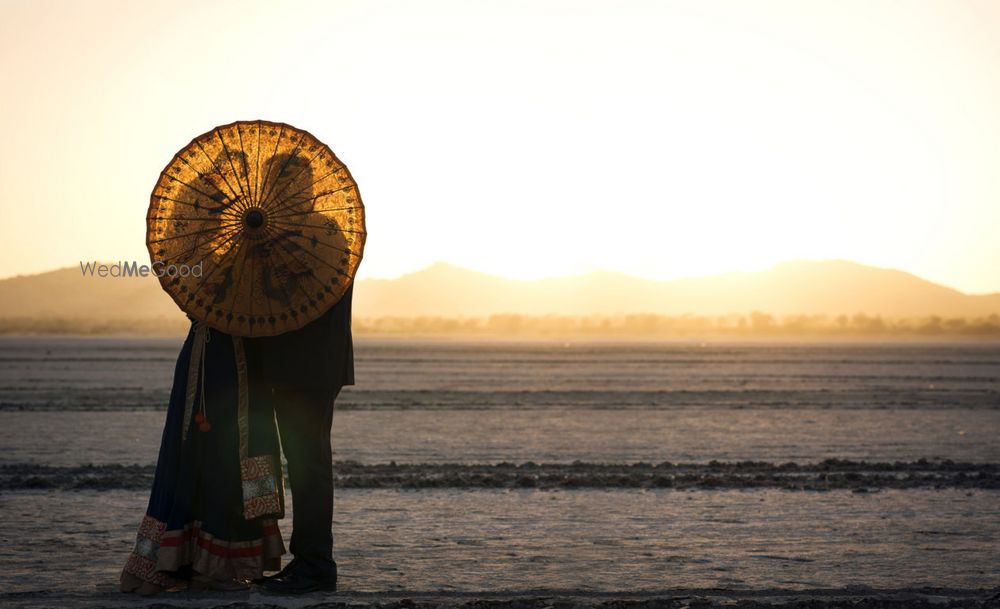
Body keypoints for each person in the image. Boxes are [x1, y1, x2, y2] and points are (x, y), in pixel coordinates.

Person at [120, 319, 287, 595]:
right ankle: (208, 568)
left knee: (192, 455)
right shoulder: (246, 288)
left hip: (204, 357)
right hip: (232, 364)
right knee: (226, 459)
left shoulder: (199, 287)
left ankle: (171, 564)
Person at [246, 282, 355, 594]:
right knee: (304, 466)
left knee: (309, 467)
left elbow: (297, 299)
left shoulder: (322, 246)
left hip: (308, 368)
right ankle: (309, 560)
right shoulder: (322, 243)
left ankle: (316, 566)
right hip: (301, 368)